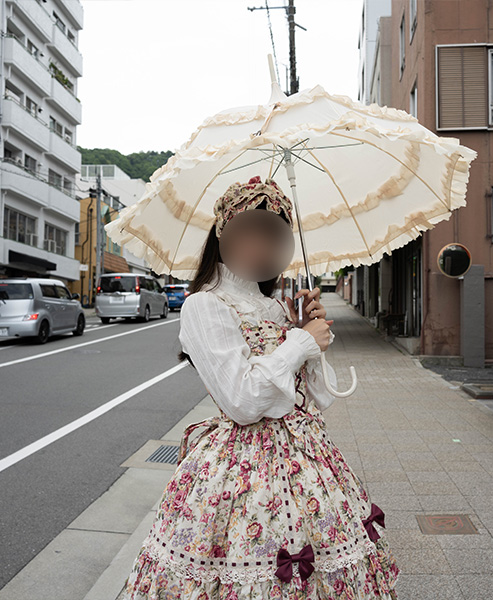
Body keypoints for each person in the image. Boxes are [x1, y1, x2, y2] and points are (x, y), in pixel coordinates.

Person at [122, 176, 400, 599]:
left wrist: (311, 336)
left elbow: (319, 398)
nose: (262, 245)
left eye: (273, 235)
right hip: (241, 472)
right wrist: (300, 342)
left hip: (309, 461)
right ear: (224, 236)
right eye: (250, 232)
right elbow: (242, 402)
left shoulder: (276, 307)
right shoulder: (205, 305)